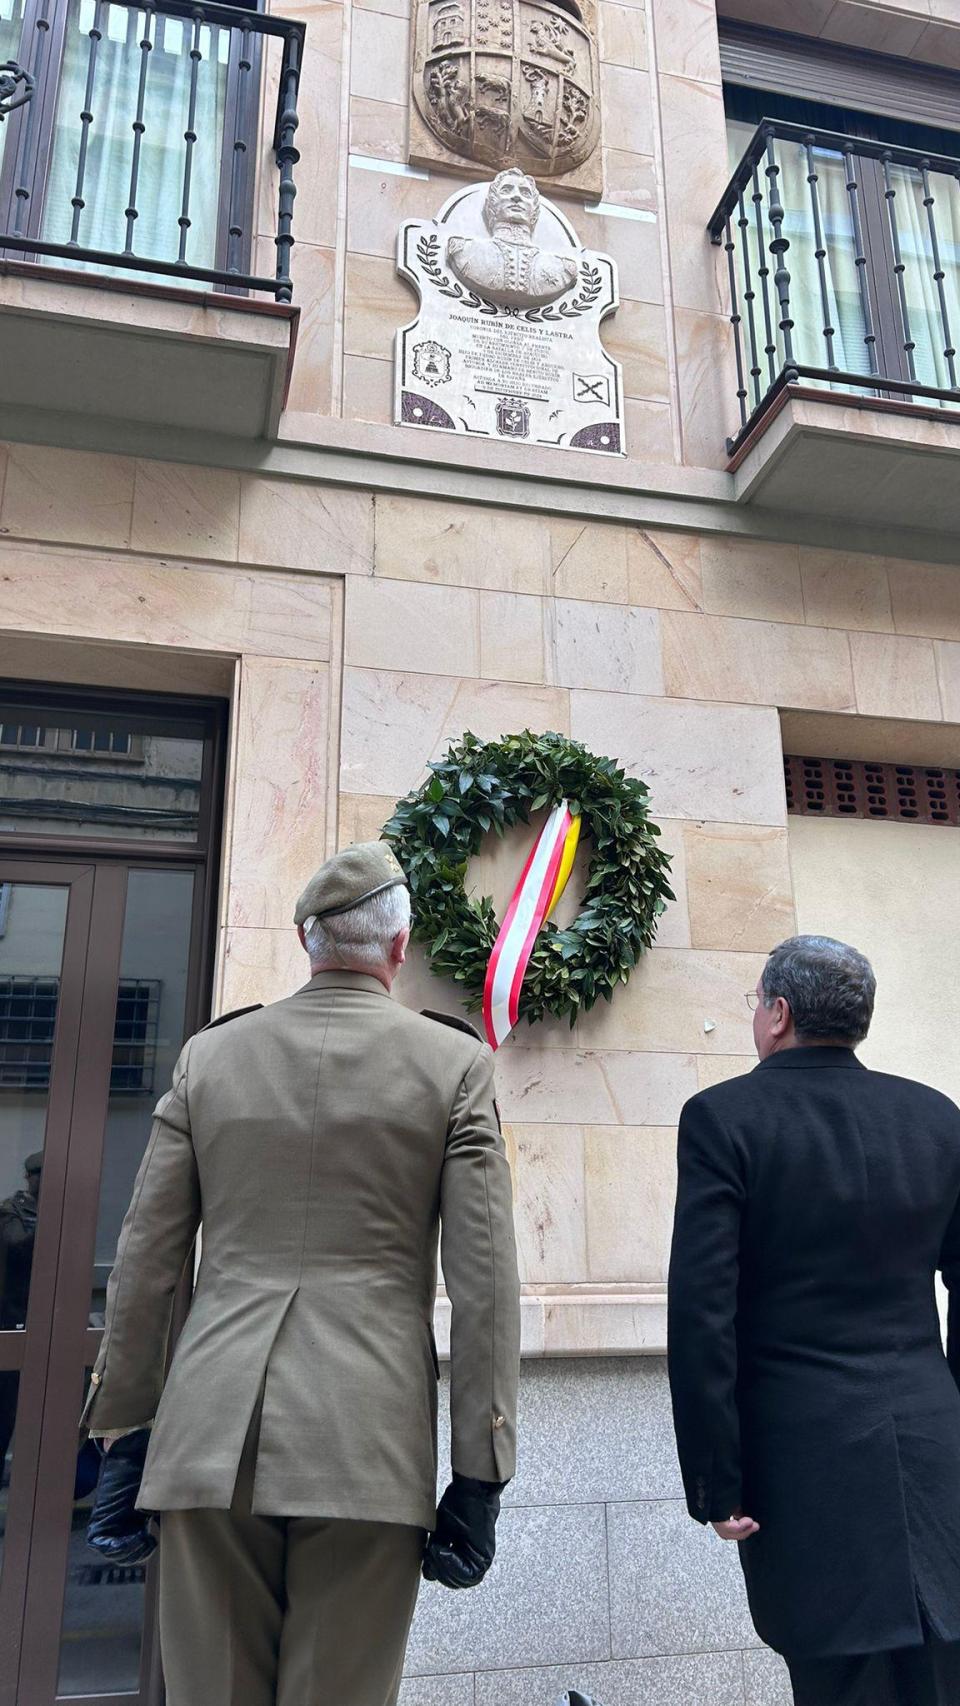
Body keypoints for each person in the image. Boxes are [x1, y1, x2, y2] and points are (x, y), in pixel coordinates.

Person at [82, 841, 521, 1706]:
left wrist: (123, 1434)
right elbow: (485, 1292)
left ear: (304, 940)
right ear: (400, 949)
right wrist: (481, 1470)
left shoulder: (212, 1057)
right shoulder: (454, 1066)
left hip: (209, 1434)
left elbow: (146, 1262)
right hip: (369, 1438)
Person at [668, 934, 960, 1706]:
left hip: (804, 1466)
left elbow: (703, 1315)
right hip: (937, 1458)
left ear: (779, 1013)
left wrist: (714, 1479)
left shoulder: (723, 1119)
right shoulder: (937, 1119)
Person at [446, 168, 578, 308]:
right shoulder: (464, 251)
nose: (517, 197)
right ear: (491, 204)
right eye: (506, 190)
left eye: (525, 193)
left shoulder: (564, 269)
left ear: (534, 209)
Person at [0, 1151, 41, 1474]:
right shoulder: (13, 1210)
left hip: (44, 1317)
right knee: (5, 1411)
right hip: (12, 1317)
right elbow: (15, 1245)